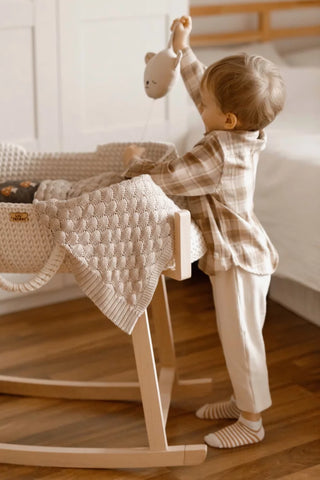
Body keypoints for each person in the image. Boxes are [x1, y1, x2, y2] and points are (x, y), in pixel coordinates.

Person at [123, 15, 286, 449]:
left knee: (242, 339)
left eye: (208, 107)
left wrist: (133, 163)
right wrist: (184, 47)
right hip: (242, 255)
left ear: (227, 118)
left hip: (237, 261)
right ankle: (241, 400)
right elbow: (202, 89)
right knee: (238, 337)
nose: (200, 108)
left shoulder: (217, 154)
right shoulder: (243, 134)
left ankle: (252, 422)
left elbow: (167, 178)